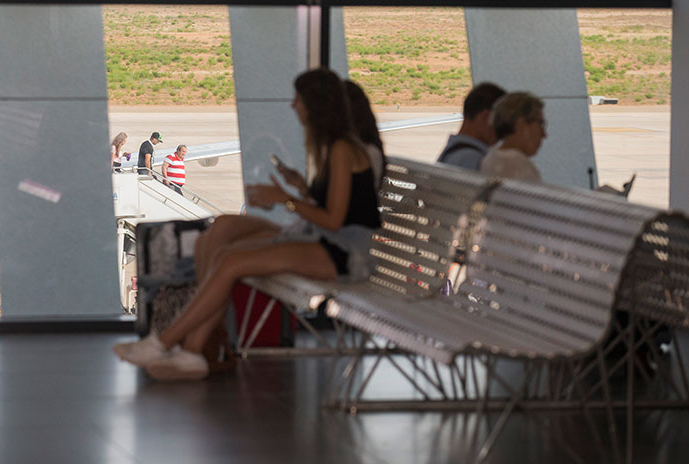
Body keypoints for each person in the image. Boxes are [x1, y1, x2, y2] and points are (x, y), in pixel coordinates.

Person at [113, 68, 381, 380]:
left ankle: (167, 342)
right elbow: (341, 209)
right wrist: (301, 189)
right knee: (223, 236)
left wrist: (286, 199)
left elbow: (335, 220)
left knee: (230, 262)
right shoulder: (336, 147)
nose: (294, 106)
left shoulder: (341, 149)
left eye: (299, 100)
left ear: (316, 104)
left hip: (342, 253)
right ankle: (195, 350)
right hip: (325, 241)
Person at [437, 82, 506, 170]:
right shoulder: (472, 159)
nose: (504, 133)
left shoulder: (454, 154)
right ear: (487, 118)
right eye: (501, 122)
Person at [479, 92, 546, 182]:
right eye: (540, 124)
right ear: (521, 125)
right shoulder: (518, 166)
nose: (544, 135)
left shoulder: (489, 159)